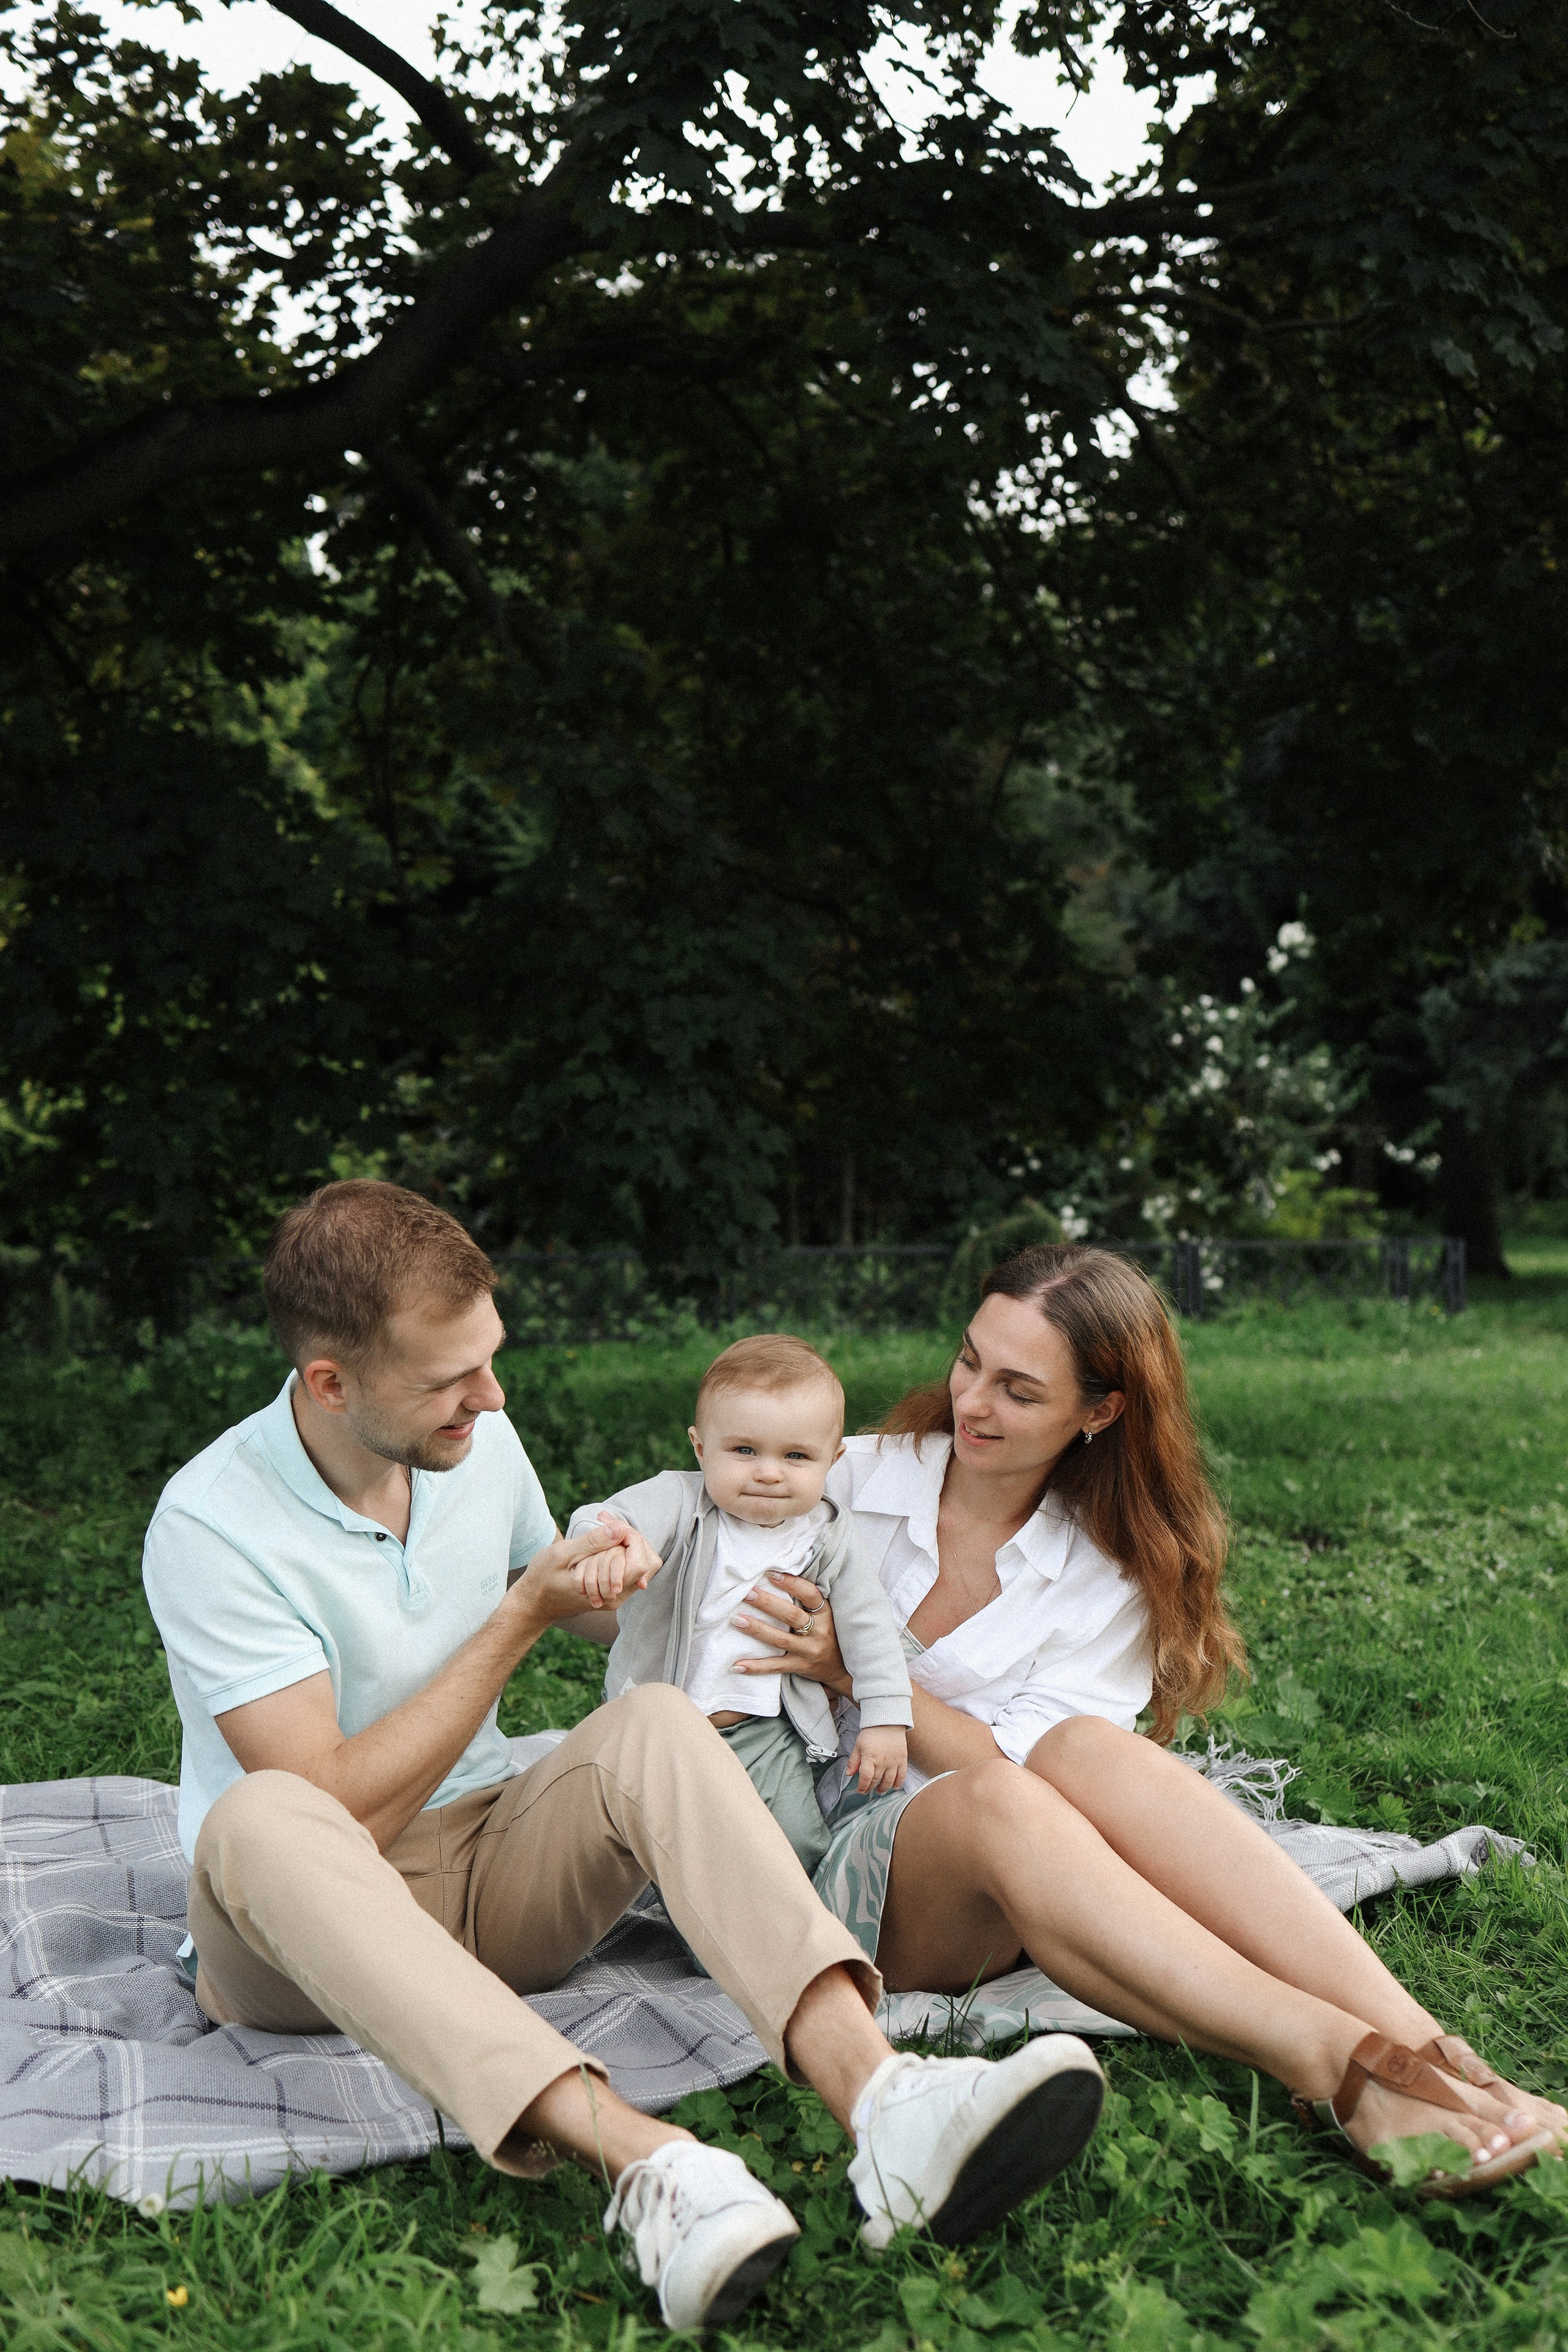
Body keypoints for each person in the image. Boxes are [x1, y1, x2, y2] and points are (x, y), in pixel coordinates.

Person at [140, 1185, 1109, 2333]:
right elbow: (334, 1805)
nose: (491, 1400)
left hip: (493, 1865)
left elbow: (590, 1605)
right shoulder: (212, 1523)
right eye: (450, 1380)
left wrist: (687, 1579)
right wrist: (521, 1617)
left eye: (490, 1362)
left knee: (655, 1717)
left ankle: (887, 2103)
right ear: (332, 1384)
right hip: (298, 1933)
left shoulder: (476, 1443)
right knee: (260, 1813)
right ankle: (652, 2166)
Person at [712, 1243, 1567, 2201]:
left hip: (1020, 1868)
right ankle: (1336, 2067)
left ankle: (1433, 2056)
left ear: (1102, 1411)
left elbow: (1044, 1771)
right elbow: (677, 1551)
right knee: (1000, 1794)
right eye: (968, 1362)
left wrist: (849, 1669)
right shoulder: (841, 1478)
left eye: (1020, 1391)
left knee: (1080, 1749)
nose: (973, 1404)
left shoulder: (1105, 1568)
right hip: (824, 1861)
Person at [563, 1334, 913, 1873]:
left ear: (834, 1460)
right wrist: (605, 1547)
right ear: (702, 1448)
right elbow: (605, 1516)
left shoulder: (828, 1535)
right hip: (661, 1728)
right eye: (744, 1450)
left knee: (795, 1844)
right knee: (640, 1848)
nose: (769, 1472)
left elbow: (870, 1628)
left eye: (796, 1456)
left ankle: (788, 1938)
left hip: (764, 1731)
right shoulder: (680, 1502)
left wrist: (885, 1720)